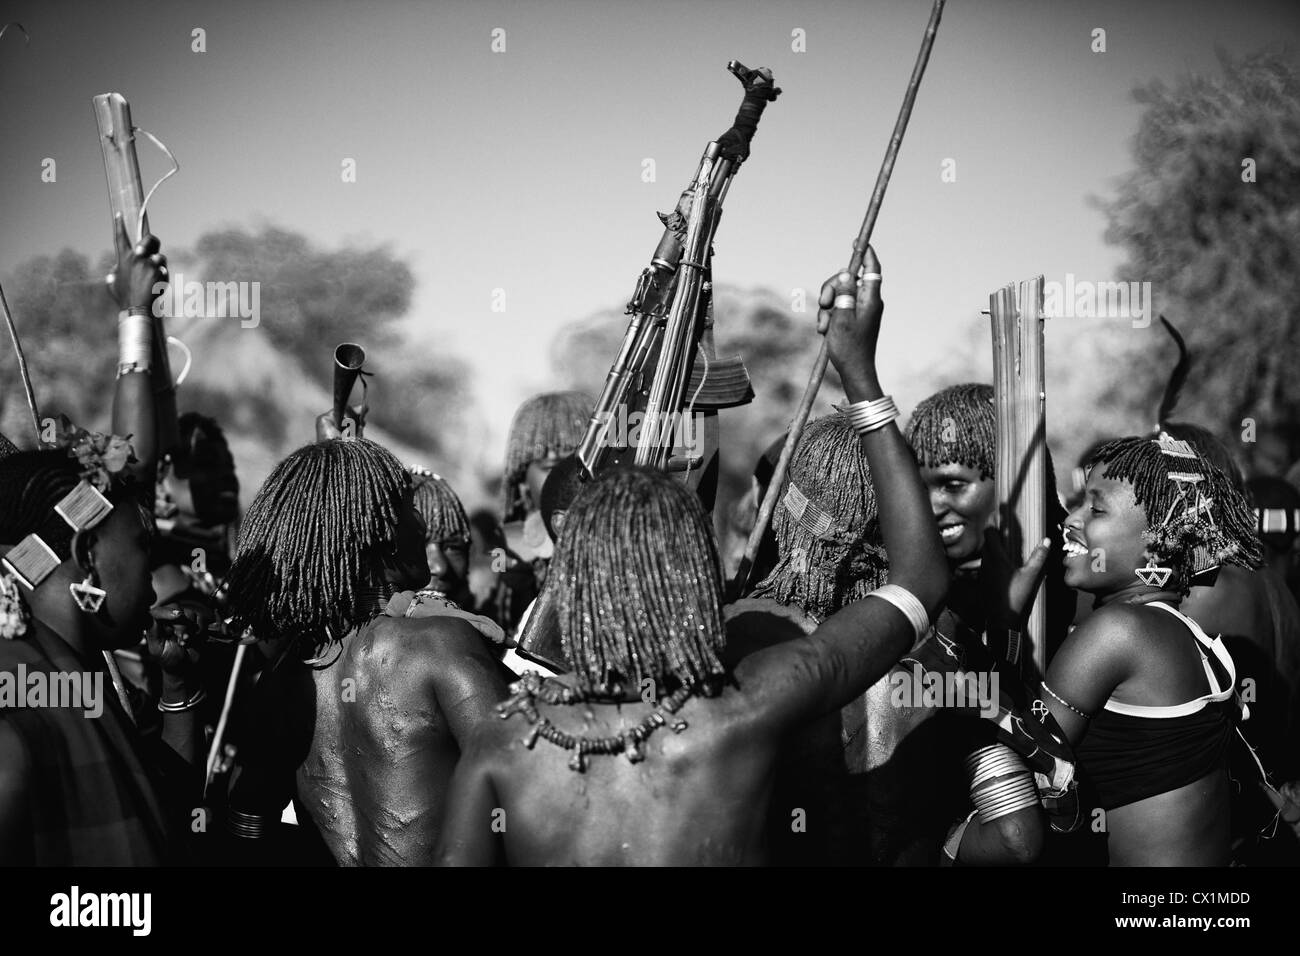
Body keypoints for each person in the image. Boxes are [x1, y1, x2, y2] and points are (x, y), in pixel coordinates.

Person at [433, 259, 949, 866]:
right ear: (693, 578)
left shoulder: (507, 738)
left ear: (572, 585)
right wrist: (859, 374)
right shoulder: (747, 708)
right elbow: (920, 580)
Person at [223, 438, 510, 865]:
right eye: (410, 508)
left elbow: (247, 830)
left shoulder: (284, 681)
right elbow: (527, 784)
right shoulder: (440, 644)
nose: (421, 526)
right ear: (383, 531)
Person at [1046, 432, 1263, 865]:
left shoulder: (1117, 631)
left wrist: (1004, 623)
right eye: (1077, 504)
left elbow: (1026, 765)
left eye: (1096, 509)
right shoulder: (1183, 632)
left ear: (1154, 541)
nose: (1070, 520)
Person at [0, 446, 203, 864]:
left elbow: (162, 809)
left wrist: (178, 684)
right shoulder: (22, 697)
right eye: (142, 544)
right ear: (88, 554)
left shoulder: (77, 679)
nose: (151, 571)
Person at [489, 391, 592, 636]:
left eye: (575, 464)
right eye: (548, 467)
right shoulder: (504, 550)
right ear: (521, 479)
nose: (562, 477)